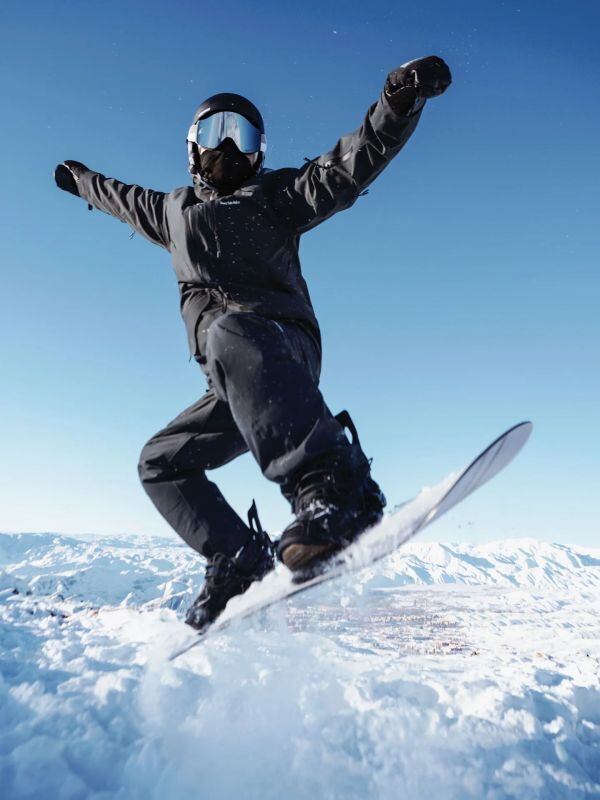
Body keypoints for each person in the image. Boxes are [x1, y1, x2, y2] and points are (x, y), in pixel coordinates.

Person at [55, 56, 452, 632]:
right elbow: (119, 195)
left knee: (231, 330)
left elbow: (349, 165)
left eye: (240, 137)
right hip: (232, 379)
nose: (227, 148)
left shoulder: (277, 196)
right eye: (215, 134)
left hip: (282, 348)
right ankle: (238, 559)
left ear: (258, 153)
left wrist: (397, 102)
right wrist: (80, 180)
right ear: (192, 149)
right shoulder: (172, 213)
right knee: (160, 463)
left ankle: (332, 484)